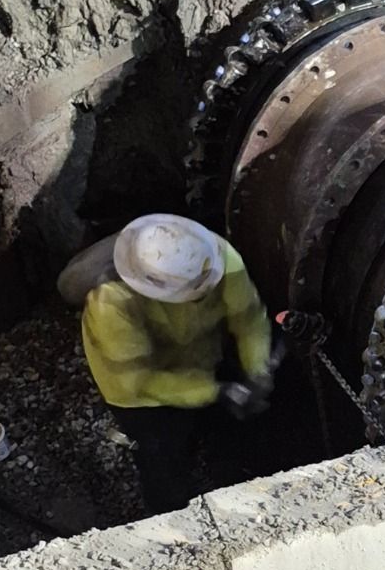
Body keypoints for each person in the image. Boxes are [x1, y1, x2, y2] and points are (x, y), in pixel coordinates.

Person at [78, 214, 274, 513]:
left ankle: (226, 475)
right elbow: (139, 381)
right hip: (140, 395)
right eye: (194, 293)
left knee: (224, 431)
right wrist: (215, 391)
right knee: (162, 459)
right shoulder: (111, 302)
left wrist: (257, 369)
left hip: (202, 360)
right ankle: (171, 519)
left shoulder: (216, 258)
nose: (206, 293)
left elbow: (248, 319)